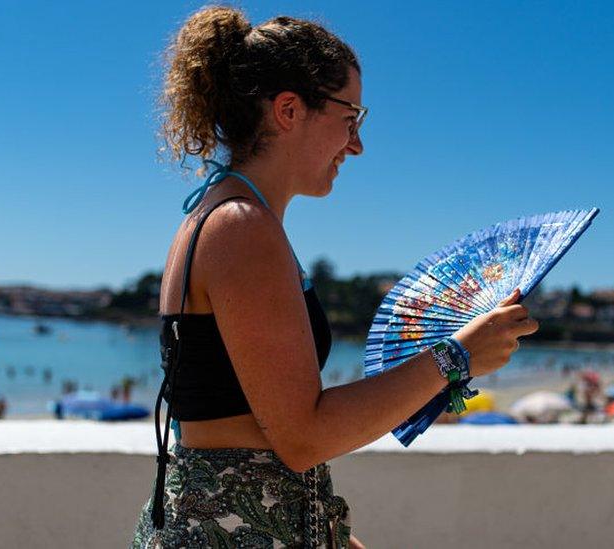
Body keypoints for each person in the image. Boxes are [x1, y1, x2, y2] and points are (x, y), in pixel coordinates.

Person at [129, 7, 539, 548]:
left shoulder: (228, 217)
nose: (357, 144)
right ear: (289, 110)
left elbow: (260, 428)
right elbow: (304, 436)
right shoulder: (241, 228)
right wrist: (456, 357)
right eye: (352, 118)